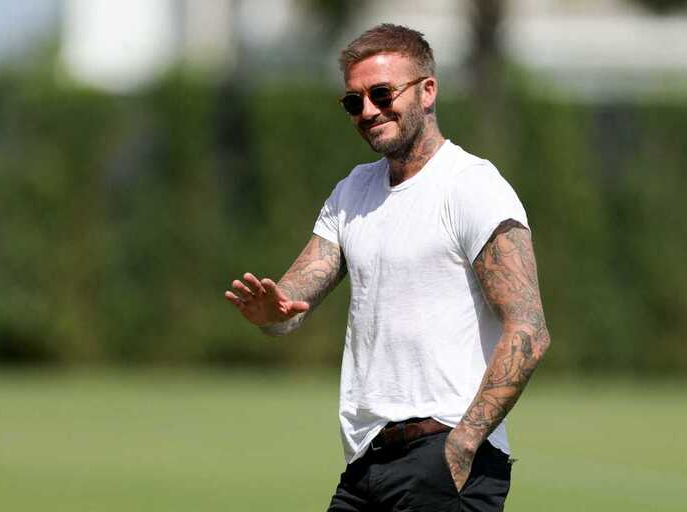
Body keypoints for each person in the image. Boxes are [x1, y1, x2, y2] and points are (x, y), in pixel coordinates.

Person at [224, 23, 551, 512]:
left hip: (444, 455)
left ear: (427, 91)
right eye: (353, 102)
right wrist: (271, 314)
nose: (368, 111)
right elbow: (291, 304)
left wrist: (462, 445)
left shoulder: (472, 186)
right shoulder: (352, 191)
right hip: (366, 463)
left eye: (381, 94)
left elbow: (529, 331)